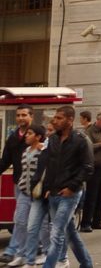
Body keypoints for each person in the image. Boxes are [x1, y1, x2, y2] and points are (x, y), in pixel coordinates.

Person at [42, 105, 94, 268]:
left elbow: (88, 168)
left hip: (70, 194)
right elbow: (50, 166)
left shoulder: (81, 139)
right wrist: (48, 188)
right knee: (70, 233)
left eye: (59, 118)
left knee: (56, 234)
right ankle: (87, 264)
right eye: (55, 117)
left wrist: (72, 187)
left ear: (70, 120)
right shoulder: (53, 139)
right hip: (54, 193)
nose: (55, 121)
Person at [0, 105, 33, 264]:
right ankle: (31, 249)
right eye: (18, 115)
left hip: (34, 185)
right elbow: (5, 160)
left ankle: (13, 251)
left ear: (31, 116)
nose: (20, 118)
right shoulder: (13, 137)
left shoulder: (37, 134)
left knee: (20, 218)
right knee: (23, 219)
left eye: (24, 115)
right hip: (19, 183)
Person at [11, 124, 46, 268]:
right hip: (24, 192)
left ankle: (45, 253)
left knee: (39, 226)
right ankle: (21, 255)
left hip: (37, 194)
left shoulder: (43, 150)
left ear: (38, 137)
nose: (26, 135)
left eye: (30, 133)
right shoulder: (26, 151)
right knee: (19, 222)